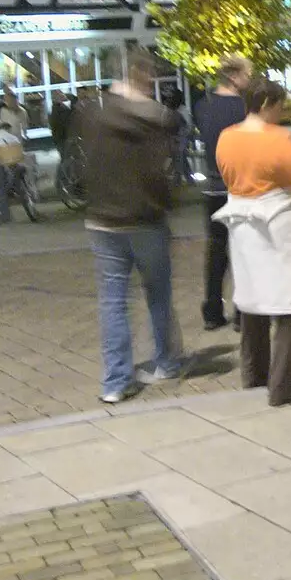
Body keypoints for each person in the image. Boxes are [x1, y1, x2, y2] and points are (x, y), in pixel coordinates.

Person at [72, 50, 186, 404]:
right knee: (158, 294)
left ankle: (116, 381)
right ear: (145, 78)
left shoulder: (92, 113)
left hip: (102, 219)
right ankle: (166, 362)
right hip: (145, 219)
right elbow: (173, 126)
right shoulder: (155, 117)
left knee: (112, 301)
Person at [213, 79, 291, 406]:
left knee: (251, 298)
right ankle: (282, 384)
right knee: (286, 301)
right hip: (279, 225)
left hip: (242, 225)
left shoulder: (226, 138)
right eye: (279, 105)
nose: (282, 112)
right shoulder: (279, 139)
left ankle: (254, 373)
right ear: (266, 104)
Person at [195, 56, 252, 330]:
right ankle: (242, 312)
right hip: (240, 187)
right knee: (242, 250)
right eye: (247, 74)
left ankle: (212, 310)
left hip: (213, 187)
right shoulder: (243, 108)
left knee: (216, 251)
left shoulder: (202, 106)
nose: (250, 79)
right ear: (233, 76)